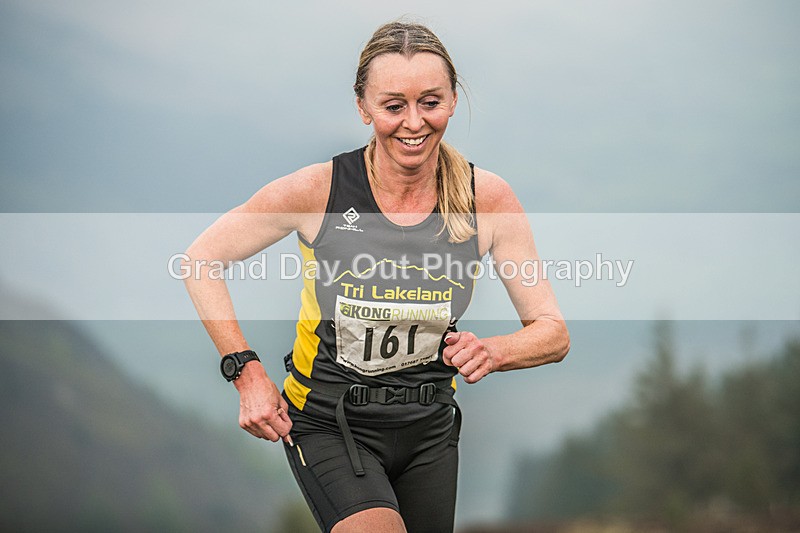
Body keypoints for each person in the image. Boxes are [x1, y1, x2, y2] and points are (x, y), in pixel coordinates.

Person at [183, 20, 569, 533]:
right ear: (363, 107)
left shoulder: (486, 198)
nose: (413, 122)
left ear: (453, 100)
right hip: (328, 422)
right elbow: (201, 260)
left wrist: (495, 352)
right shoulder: (317, 191)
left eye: (430, 102)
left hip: (428, 429)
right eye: (393, 106)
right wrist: (245, 370)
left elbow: (552, 331)